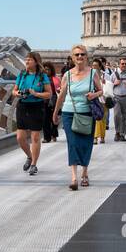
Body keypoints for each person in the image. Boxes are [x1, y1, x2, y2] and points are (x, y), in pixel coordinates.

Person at [52, 44, 100, 191]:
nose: (80, 57)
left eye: (82, 54)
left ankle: (85, 172)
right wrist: (55, 112)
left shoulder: (93, 73)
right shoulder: (67, 75)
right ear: (73, 58)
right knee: (72, 143)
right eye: (77, 55)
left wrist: (94, 94)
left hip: (87, 112)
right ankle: (74, 177)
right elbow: (61, 95)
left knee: (85, 144)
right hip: (69, 112)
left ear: (87, 57)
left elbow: (101, 90)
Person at [11, 51, 50, 176]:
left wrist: (36, 93)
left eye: (29, 60)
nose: (27, 61)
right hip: (22, 105)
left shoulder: (42, 76)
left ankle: (33, 164)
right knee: (20, 137)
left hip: (37, 106)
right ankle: (29, 156)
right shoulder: (22, 74)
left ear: (36, 62)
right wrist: (17, 94)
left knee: (35, 137)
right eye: (26, 59)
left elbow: (49, 93)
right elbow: (14, 90)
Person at [111, 56, 126, 141]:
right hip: (116, 97)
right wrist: (114, 83)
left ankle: (122, 134)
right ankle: (117, 132)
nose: (124, 65)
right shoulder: (114, 74)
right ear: (119, 64)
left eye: (125, 64)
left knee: (125, 116)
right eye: (122, 63)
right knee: (117, 115)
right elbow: (108, 86)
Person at [91, 57, 109, 144]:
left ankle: (102, 136)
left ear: (99, 66)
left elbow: (110, 86)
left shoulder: (105, 75)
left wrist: (105, 82)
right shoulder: (89, 75)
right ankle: (95, 137)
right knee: (96, 118)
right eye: (93, 65)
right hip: (94, 98)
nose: (94, 67)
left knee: (103, 118)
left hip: (103, 99)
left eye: (96, 66)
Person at [41, 61, 59, 143]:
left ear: (51, 70)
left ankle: (54, 134)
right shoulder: (40, 79)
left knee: (53, 118)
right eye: (45, 70)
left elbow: (60, 89)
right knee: (45, 119)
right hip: (44, 100)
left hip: (54, 99)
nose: (46, 71)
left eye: (48, 69)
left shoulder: (56, 79)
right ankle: (46, 137)